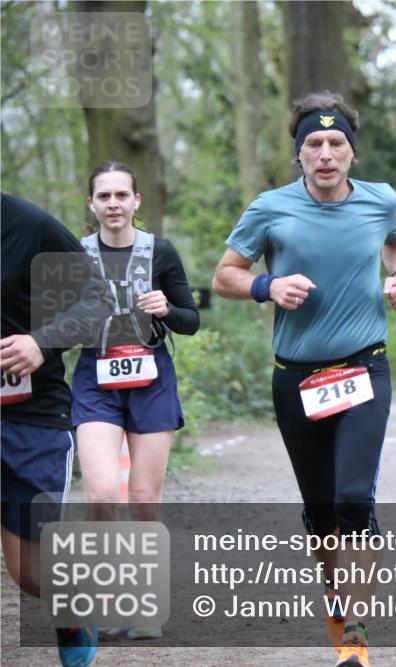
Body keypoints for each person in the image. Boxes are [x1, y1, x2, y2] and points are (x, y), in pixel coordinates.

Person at [212, 90, 396, 667]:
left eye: (337, 144)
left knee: (355, 499)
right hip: (295, 377)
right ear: (299, 155)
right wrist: (265, 286)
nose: (326, 154)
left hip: (363, 367)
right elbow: (226, 274)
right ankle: (335, 594)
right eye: (314, 145)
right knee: (322, 511)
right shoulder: (270, 208)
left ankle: (355, 633)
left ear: (352, 153)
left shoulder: (381, 201)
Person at [71, 161, 200, 639]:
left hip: (150, 375)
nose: (113, 205)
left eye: (121, 196)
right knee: (103, 493)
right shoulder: (74, 254)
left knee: (145, 500)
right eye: (103, 197)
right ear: (91, 204)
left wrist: (167, 308)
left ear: (136, 201)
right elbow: (55, 327)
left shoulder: (160, 252)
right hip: (95, 377)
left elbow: (191, 319)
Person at [2, 193, 115, 666]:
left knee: (30, 573)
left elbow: (99, 301)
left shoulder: (28, 226)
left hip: (28, 418)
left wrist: (41, 341)